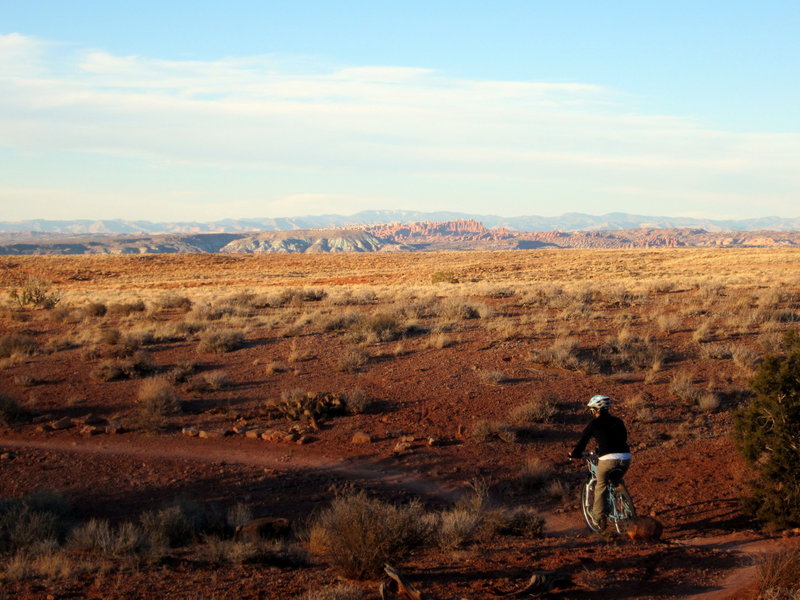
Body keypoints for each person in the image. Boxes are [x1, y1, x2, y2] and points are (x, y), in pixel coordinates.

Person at [569, 394, 631, 532]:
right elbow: (623, 438)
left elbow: (582, 442)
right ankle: (626, 505)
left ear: (595, 410)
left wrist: (575, 454)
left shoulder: (594, 424)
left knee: (601, 485)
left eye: (591, 409)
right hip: (626, 457)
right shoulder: (618, 421)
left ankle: (598, 518)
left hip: (607, 459)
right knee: (617, 479)